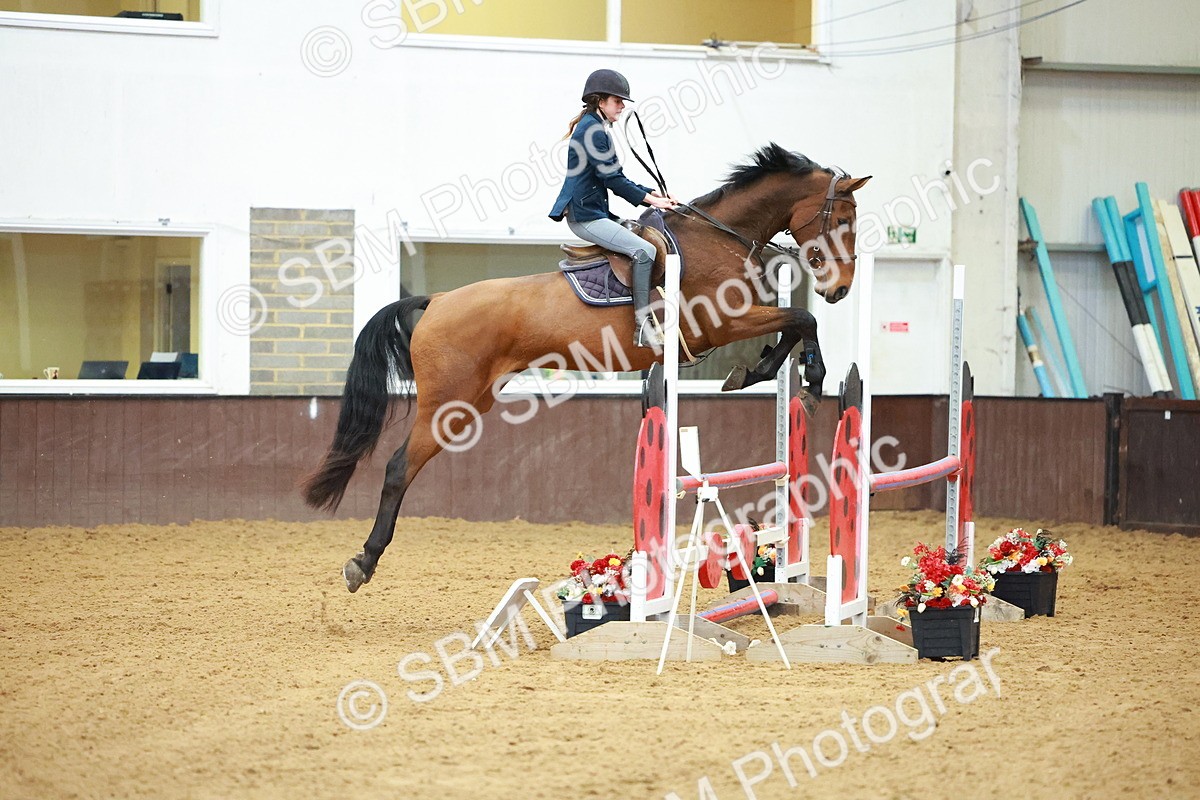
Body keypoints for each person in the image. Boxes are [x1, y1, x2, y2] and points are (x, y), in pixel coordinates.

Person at [549, 69, 678, 348]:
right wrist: (652, 201)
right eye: (617, 100)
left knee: (644, 237)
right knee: (645, 252)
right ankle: (643, 325)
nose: (622, 106)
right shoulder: (593, 131)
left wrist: (652, 193)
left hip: (594, 211)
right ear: (600, 101)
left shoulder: (593, 126)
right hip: (586, 217)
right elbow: (613, 180)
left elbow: (616, 177)